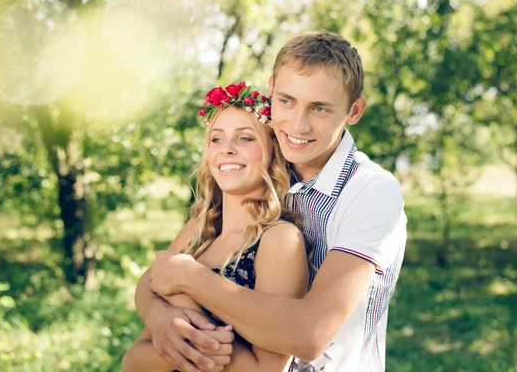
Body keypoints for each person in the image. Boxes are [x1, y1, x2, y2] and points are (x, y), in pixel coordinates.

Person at [144, 31, 407, 372]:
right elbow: (158, 274)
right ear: (271, 91)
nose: (298, 124)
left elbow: (310, 334)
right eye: (286, 101)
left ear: (354, 110)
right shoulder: (262, 169)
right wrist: (159, 316)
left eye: (320, 108)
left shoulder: (371, 191)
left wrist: (191, 280)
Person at [122, 83, 312, 372]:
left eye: (245, 138)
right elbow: (133, 361)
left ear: (273, 151)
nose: (227, 150)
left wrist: (185, 299)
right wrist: (163, 323)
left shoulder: (279, 239)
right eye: (216, 139)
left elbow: (266, 370)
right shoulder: (198, 232)